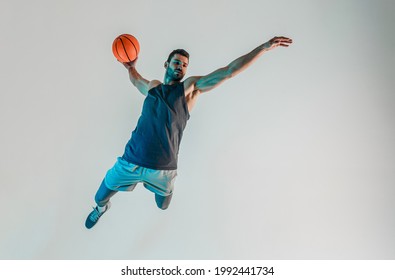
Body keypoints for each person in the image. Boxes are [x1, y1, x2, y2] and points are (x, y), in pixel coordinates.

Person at [85, 36, 293, 229]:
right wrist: (130, 67)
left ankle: (163, 185)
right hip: (131, 159)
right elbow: (136, 79)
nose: (181, 67)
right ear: (166, 65)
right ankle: (102, 209)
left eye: (184, 65)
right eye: (177, 62)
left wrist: (263, 48)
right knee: (99, 196)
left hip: (163, 168)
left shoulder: (190, 89)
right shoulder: (153, 88)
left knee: (162, 206)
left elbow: (229, 71)